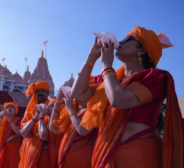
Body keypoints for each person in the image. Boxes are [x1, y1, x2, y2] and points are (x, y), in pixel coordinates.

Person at [72, 26, 183, 167]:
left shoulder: (154, 77)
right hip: (107, 153)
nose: (121, 42)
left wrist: (107, 66)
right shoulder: (114, 80)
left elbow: (119, 100)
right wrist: (91, 57)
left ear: (142, 50)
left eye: (128, 39)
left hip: (139, 153)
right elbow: (78, 95)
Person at [19, 81, 55, 168]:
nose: (40, 93)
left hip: (46, 148)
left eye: (42, 91)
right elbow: (23, 127)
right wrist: (35, 119)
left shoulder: (52, 105)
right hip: (29, 146)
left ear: (48, 92)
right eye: (38, 91)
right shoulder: (30, 107)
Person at [0, 102, 22, 168]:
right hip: (2, 147)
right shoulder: (3, 121)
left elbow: (18, 132)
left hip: (13, 148)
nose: (9, 108)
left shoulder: (19, 120)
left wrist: (9, 119)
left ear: (15, 111)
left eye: (11, 107)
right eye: (7, 107)